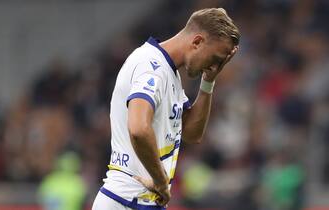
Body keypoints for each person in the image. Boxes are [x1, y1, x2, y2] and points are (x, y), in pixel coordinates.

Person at [92, 8, 240, 210]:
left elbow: (191, 134)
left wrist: (208, 82)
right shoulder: (151, 65)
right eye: (215, 58)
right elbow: (138, 129)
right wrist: (161, 179)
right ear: (197, 42)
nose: (214, 65)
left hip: (140, 202)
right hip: (126, 201)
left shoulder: (171, 75)